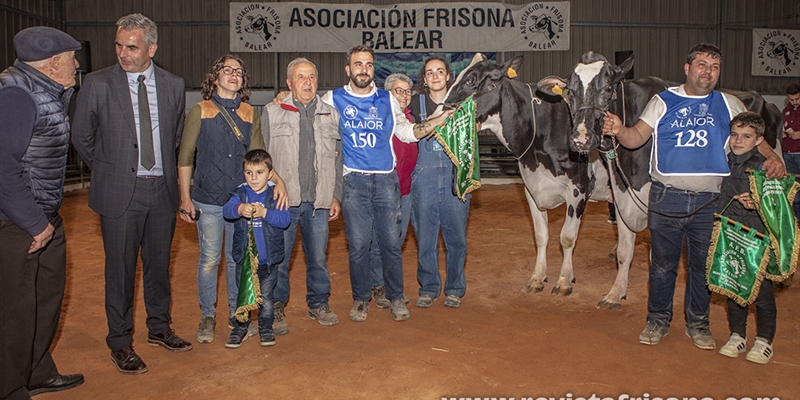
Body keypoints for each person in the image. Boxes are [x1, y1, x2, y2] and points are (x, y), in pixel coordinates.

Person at [602, 43, 785, 350]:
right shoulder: (662, 101)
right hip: (665, 198)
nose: (708, 72)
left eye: (714, 67)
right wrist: (620, 130)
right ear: (687, 68)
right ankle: (657, 319)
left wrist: (772, 157)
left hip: (711, 202)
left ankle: (698, 324)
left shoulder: (729, 103)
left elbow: (755, 136)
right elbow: (635, 138)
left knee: (702, 267)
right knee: (662, 266)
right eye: (702, 65)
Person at [72, 13, 192, 374]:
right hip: (120, 193)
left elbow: (174, 137)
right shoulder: (97, 83)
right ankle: (121, 342)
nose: (123, 53)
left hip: (162, 191)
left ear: (151, 48)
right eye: (119, 46)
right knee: (120, 271)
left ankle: (159, 328)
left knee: (158, 266)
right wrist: (111, 169)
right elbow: (81, 136)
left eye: (132, 47)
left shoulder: (173, 85)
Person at [320, 45, 452, 322]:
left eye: (368, 64)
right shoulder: (332, 98)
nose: (363, 69)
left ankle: (395, 297)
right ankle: (360, 299)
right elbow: (312, 117)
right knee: (357, 245)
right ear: (348, 69)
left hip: (385, 182)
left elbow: (405, 133)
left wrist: (436, 121)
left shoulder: (387, 100)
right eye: (358, 64)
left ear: (373, 69)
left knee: (391, 243)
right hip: (353, 181)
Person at [0, 26, 85, 399]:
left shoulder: (44, 90)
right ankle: (9, 386)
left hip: (43, 212)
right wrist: (34, 222)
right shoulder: (16, 94)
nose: (77, 64)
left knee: (45, 299)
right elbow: (3, 164)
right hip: (17, 221)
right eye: (71, 58)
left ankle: (35, 371)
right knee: (15, 310)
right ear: (53, 63)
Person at [178, 54, 267, 344]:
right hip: (207, 200)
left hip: (238, 202)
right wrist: (185, 198)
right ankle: (207, 315)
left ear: (243, 81)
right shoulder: (200, 111)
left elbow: (258, 158)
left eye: (238, 72)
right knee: (208, 260)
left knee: (236, 259)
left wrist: (274, 186)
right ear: (215, 77)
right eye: (227, 70)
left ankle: (235, 314)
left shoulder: (250, 113)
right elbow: (185, 157)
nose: (233, 75)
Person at [263, 57, 342, 335]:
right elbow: (261, 160)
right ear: (289, 83)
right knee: (280, 258)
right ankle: (276, 307)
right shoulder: (272, 113)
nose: (307, 82)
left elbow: (337, 159)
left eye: (311, 77)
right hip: (283, 202)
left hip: (318, 203)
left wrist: (335, 196)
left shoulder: (331, 114)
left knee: (318, 258)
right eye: (300, 77)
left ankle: (318, 303)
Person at [715, 112, 777, 364]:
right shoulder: (724, 162)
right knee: (733, 285)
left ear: (759, 139)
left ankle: (764, 340)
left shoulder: (764, 167)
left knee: (761, 291)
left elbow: (780, 204)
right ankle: (737, 334)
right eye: (734, 135)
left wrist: (759, 202)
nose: (738, 141)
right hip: (729, 234)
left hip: (756, 238)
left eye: (747, 136)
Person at [408, 56, 470, 309]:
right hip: (423, 181)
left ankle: (454, 289)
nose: (435, 76)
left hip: (455, 181)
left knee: (457, 240)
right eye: (430, 72)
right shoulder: (413, 103)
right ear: (424, 79)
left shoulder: (463, 104)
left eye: (440, 71)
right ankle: (429, 287)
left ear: (448, 76)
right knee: (426, 238)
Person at [223, 149, 291, 348]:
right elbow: (227, 211)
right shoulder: (240, 193)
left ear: (270, 174)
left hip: (268, 261)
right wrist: (239, 209)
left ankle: (266, 327)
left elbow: (284, 220)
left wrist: (264, 212)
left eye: (259, 172)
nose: (253, 178)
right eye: (249, 172)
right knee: (243, 295)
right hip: (244, 260)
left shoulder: (276, 194)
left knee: (266, 298)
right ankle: (240, 328)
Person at [369, 72, 417, 308]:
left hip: (405, 191)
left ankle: (390, 285)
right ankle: (378, 286)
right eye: (399, 90)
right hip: (384, 190)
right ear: (388, 93)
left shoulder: (411, 118)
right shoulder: (378, 116)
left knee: (396, 241)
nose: (405, 95)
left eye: (408, 91)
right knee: (380, 241)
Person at [783, 83, 800, 218]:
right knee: (793, 190)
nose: (794, 102)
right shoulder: (785, 112)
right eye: (791, 100)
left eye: (797, 99)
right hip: (788, 154)